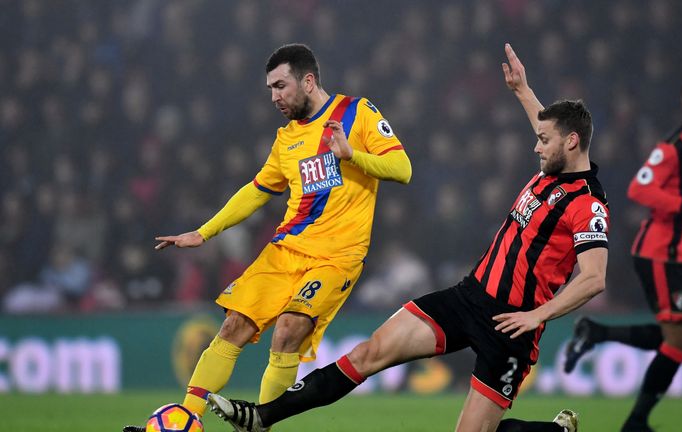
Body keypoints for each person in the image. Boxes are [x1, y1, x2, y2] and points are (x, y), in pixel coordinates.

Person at [206, 43, 609, 432]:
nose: (536, 147)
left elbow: (593, 278)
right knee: (367, 354)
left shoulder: (586, 204)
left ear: (571, 143)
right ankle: (261, 417)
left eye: (544, 141)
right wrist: (522, 91)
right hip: (468, 297)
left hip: (512, 328)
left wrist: (537, 316)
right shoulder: (554, 164)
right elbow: (551, 131)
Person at [123, 43, 412, 432]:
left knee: (290, 328)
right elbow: (257, 190)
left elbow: (402, 167)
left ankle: (260, 425)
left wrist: (351, 155)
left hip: (336, 258)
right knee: (233, 326)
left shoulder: (356, 113)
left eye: (280, 86)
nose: (274, 97)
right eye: (270, 89)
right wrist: (204, 232)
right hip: (286, 251)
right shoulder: (287, 140)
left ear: (308, 81)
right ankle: (183, 421)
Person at [562, 72, 682, 432]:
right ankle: (636, 422)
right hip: (659, 254)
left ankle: (596, 333)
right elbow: (638, 190)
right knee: (681, 340)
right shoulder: (673, 148)